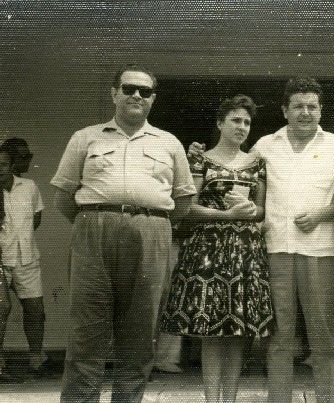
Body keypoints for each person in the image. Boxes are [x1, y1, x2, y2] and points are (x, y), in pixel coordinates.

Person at [190, 77, 334, 402]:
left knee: (323, 338)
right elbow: (231, 164)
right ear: (284, 110)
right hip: (274, 251)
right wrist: (197, 152)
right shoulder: (264, 145)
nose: (305, 113)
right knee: (278, 338)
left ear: (321, 110)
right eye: (298, 106)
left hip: (320, 250)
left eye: (312, 107)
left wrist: (322, 213)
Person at [51, 64, 196, 402]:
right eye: (129, 89)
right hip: (93, 232)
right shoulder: (85, 137)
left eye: (145, 91)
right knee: (86, 332)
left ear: (153, 98)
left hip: (151, 232)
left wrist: (149, 225)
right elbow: (63, 196)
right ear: (114, 93)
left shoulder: (169, 142)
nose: (136, 96)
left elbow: (184, 199)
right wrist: (99, 221)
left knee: (140, 335)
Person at [161, 94, 274, 402]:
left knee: (237, 331)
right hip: (208, 250)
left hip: (245, 251)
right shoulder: (201, 160)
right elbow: (187, 207)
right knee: (210, 330)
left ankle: (231, 399)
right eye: (235, 120)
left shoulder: (257, 163)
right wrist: (226, 215)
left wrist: (250, 211)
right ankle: (212, 400)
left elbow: (261, 209)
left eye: (247, 122)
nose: (242, 127)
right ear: (220, 123)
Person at [0, 142, 46, 382]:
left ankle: (37, 359)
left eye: (3, 165)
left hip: (26, 257)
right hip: (0, 259)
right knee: (1, 308)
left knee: (35, 309)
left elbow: (36, 218)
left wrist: (21, 237)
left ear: (11, 166)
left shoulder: (29, 187)